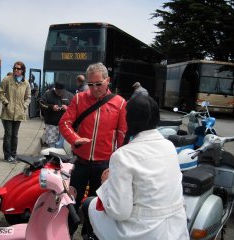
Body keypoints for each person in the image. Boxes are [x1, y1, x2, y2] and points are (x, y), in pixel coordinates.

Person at [82, 95, 189, 240]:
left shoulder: (122, 156)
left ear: (129, 120)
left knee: (89, 204)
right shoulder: (170, 146)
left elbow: (119, 212)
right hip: (177, 227)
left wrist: (107, 182)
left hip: (143, 231)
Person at [58, 62, 127, 235]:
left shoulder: (119, 103)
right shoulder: (80, 98)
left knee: (97, 206)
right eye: (90, 84)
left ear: (108, 80)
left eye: (98, 84)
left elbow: (122, 136)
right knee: (71, 201)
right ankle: (66, 233)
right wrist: (75, 139)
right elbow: (64, 123)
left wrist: (116, 165)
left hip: (104, 165)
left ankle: (90, 235)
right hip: (80, 162)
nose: (94, 88)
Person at [0, 61, 31, 163]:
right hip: (8, 111)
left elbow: (28, 97)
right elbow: (0, 91)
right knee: (8, 134)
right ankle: (7, 156)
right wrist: (6, 103)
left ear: (23, 70)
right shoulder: (7, 79)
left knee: (15, 135)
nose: (16, 70)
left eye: (18, 68)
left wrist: (24, 106)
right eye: (15, 68)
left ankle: (14, 154)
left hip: (19, 112)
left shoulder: (26, 82)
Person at [39, 81, 73, 147]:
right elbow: (41, 104)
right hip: (51, 124)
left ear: (64, 90)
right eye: (57, 91)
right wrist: (51, 107)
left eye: (61, 92)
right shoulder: (48, 94)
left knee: (62, 146)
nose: (59, 93)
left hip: (64, 125)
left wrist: (67, 108)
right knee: (51, 144)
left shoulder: (70, 95)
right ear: (55, 89)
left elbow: (75, 108)